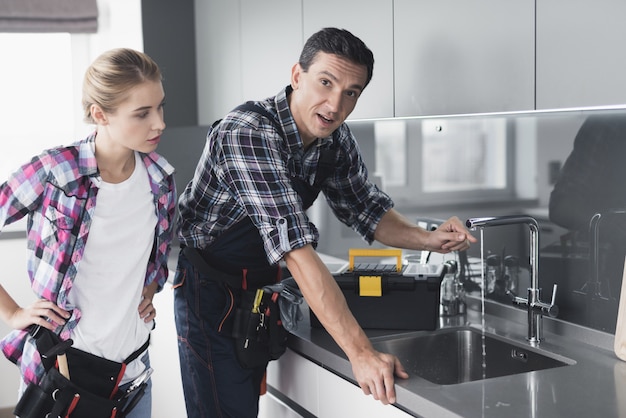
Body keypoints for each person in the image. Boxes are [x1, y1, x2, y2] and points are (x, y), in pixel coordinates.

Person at [175, 27, 476, 417]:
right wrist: (362, 353)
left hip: (262, 289)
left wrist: (430, 239)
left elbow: (367, 209)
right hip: (210, 292)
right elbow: (296, 252)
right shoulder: (247, 132)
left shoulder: (334, 139)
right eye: (325, 82)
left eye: (351, 92)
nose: (335, 105)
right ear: (297, 76)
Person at [0, 48, 176, 417]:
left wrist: (148, 289)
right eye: (142, 114)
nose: (158, 123)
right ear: (100, 114)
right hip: (65, 371)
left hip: (134, 373)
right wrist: (13, 312)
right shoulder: (54, 171)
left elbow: (152, 262)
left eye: (159, 107)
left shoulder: (160, 180)